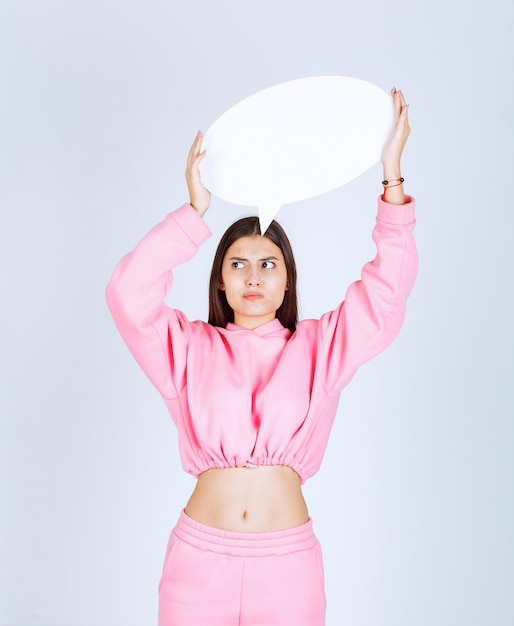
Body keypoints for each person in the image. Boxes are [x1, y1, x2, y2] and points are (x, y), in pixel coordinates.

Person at [106, 88, 417, 626]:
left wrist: (391, 178)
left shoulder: (320, 347)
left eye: (269, 264)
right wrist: (193, 213)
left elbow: (386, 295)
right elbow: (128, 292)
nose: (253, 276)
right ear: (220, 281)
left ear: (288, 279)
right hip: (198, 567)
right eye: (238, 264)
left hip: (287, 572)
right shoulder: (187, 347)